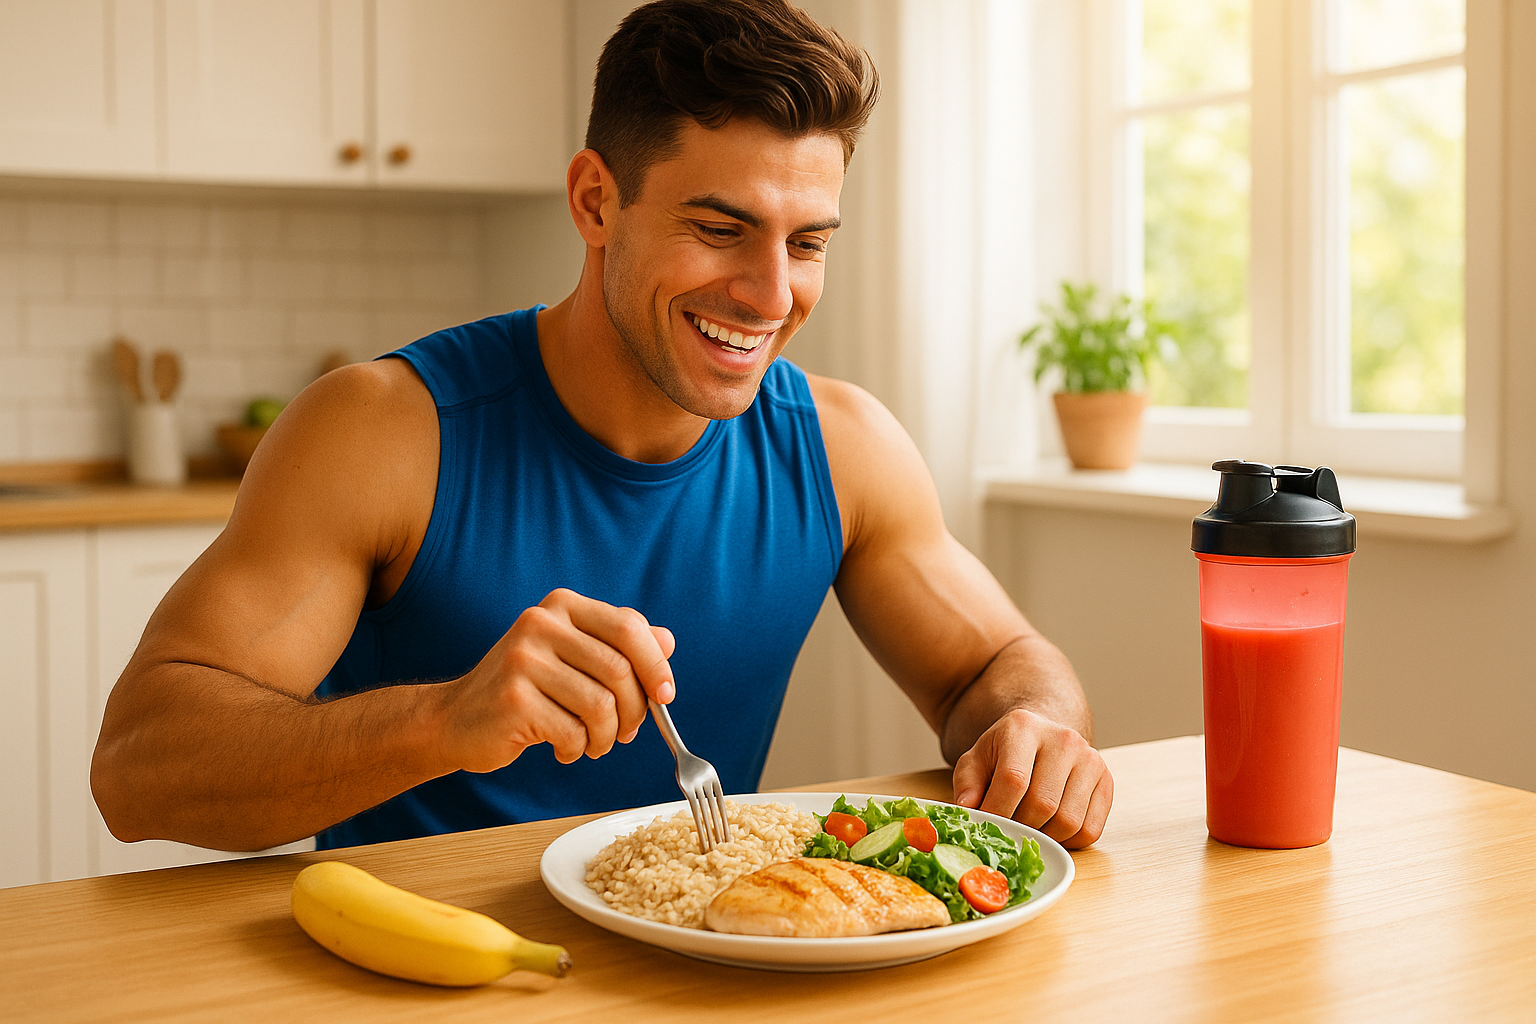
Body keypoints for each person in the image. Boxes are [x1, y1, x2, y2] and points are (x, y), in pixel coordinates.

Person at [91, 0, 1112, 854]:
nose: (769, 295)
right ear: (594, 201)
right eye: (720, 229)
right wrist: (446, 719)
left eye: (807, 242)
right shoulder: (387, 431)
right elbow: (139, 767)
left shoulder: (842, 448)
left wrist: (1039, 730)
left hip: (700, 967)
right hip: (418, 976)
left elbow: (998, 666)